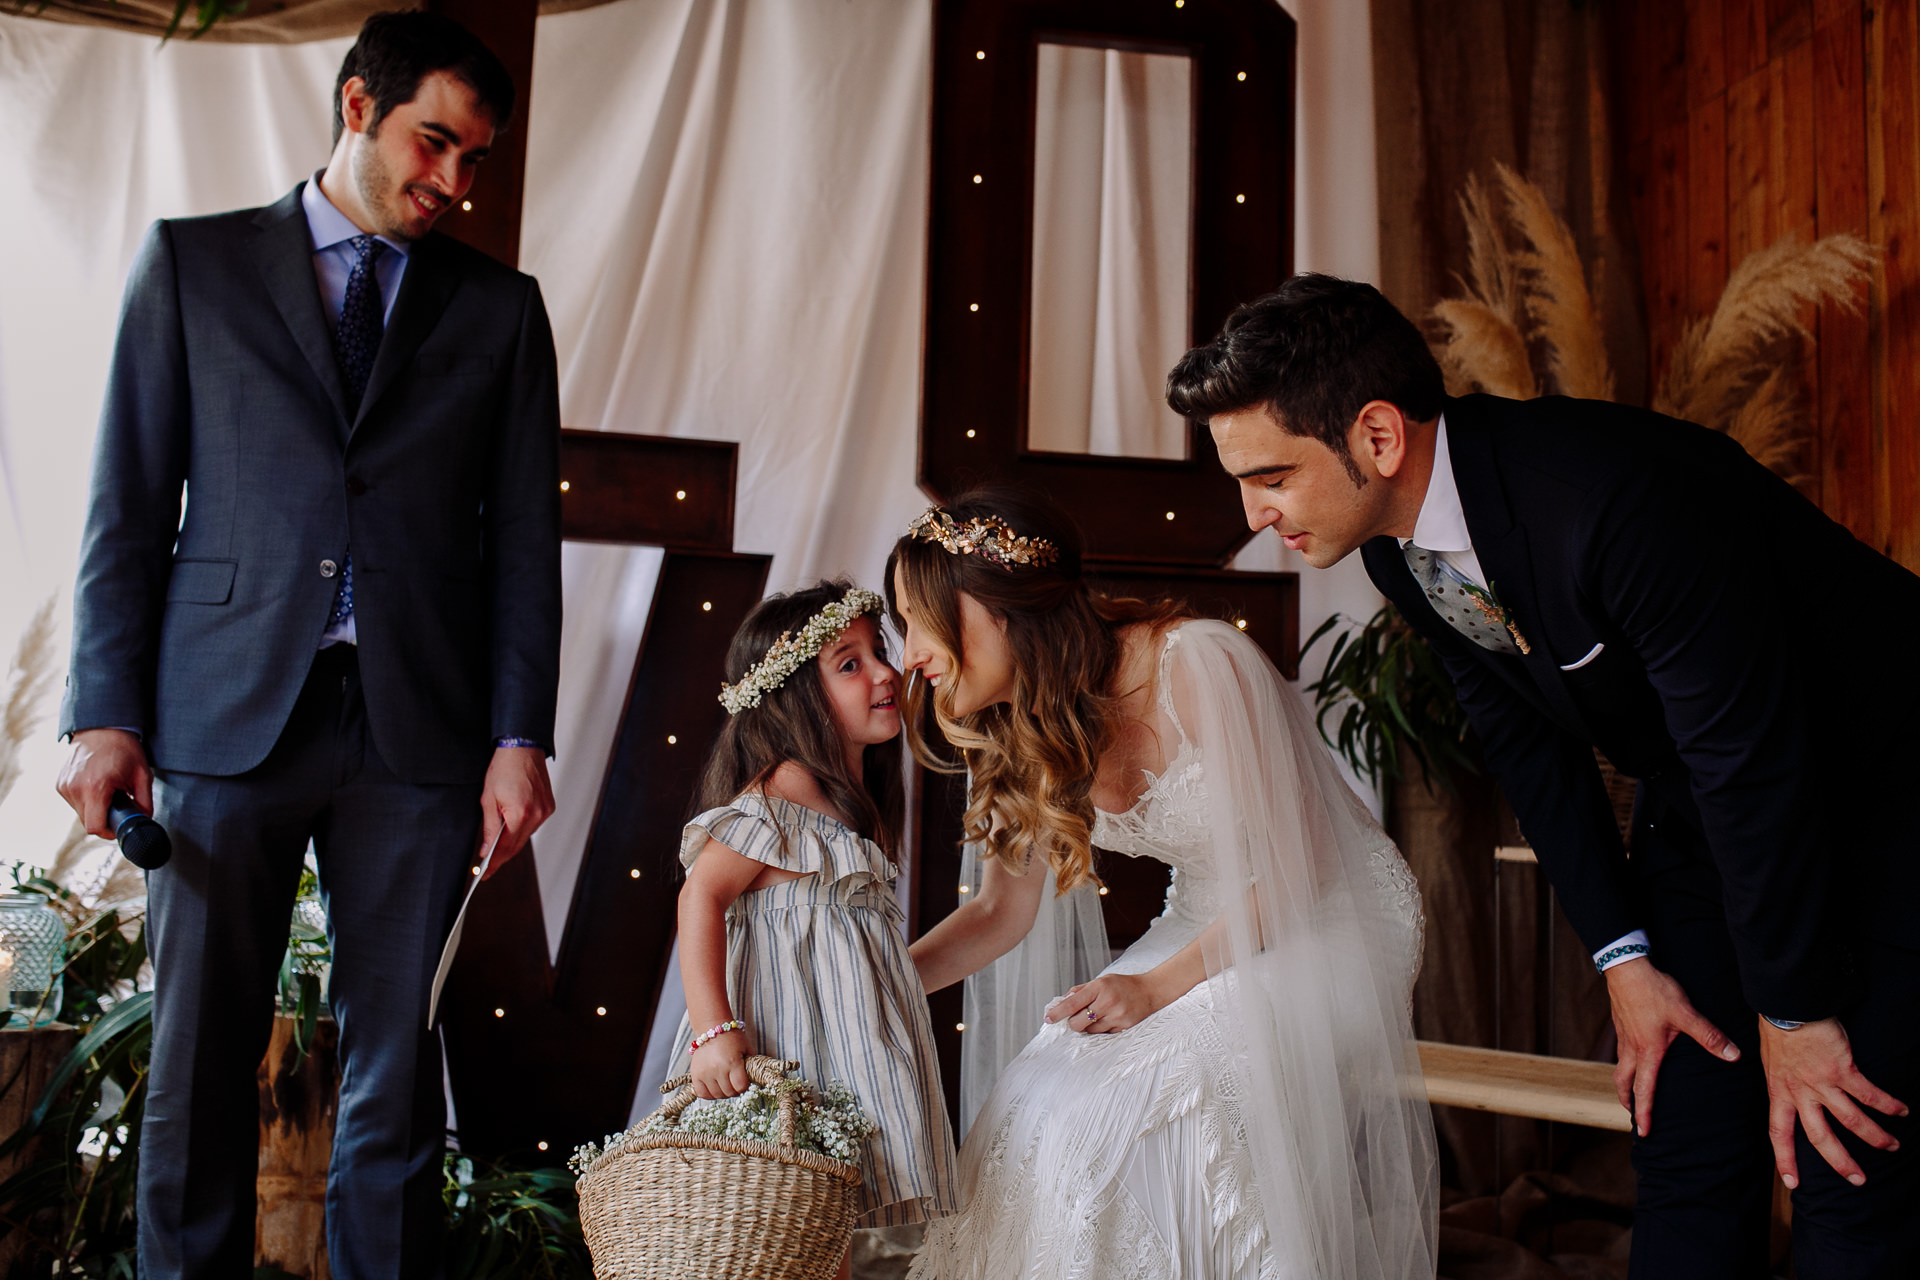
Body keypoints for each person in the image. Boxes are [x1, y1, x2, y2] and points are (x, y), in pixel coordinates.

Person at [1164, 273, 1920, 1279]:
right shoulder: (1399, 553)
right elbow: (1527, 743)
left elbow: (1754, 757)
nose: (1256, 513)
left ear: (1378, 437)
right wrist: (1624, 954)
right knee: (1683, 1125)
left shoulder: (1613, 500)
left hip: (1891, 788)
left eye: (1271, 476)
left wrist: (1793, 1008)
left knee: (1839, 1149)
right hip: (1711, 798)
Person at [53, 13, 561, 1277]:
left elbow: (523, 549)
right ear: (355, 106)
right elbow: (127, 501)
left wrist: (518, 735)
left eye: (474, 159)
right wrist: (102, 711)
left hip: (421, 734)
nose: (452, 182)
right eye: (431, 143)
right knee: (198, 1059)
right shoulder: (192, 266)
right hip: (222, 710)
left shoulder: (501, 312)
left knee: (395, 1069)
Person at [892, 492, 1437, 1280]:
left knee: (1144, 1102)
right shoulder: (1012, 718)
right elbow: (998, 913)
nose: (910, 652)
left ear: (998, 609)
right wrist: (889, 984)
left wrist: (1153, 988)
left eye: (919, 618)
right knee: (1035, 1097)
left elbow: (1306, 865)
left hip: (1330, 913)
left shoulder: (1198, 664)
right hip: (1201, 921)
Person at [670, 580, 958, 1270]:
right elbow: (700, 897)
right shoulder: (778, 793)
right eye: (849, 663)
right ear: (794, 696)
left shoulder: (847, 808)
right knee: (777, 1235)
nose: (886, 673)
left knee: (819, 1236)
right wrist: (714, 1034)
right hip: (783, 1052)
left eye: (877, 652)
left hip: (837, 1056)